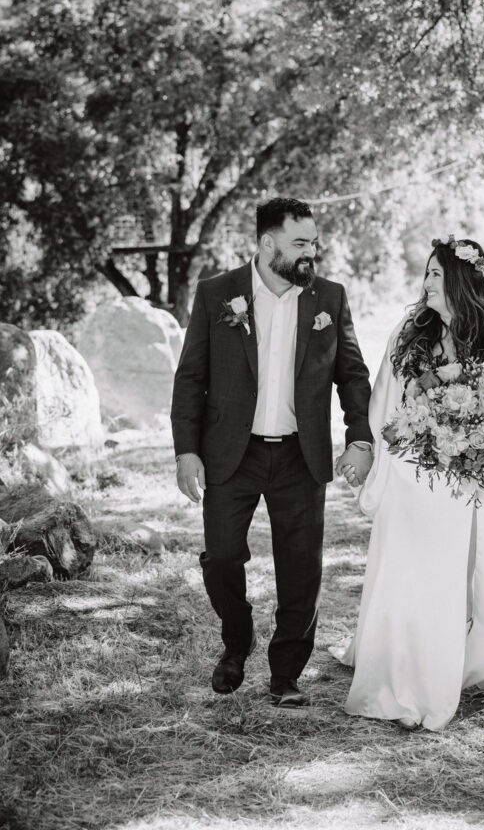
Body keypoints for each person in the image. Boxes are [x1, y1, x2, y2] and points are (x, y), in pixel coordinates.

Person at [332, 237, 484, 731]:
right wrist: (377, 457)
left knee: (466, 571)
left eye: (435, 274)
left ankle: (468, 655)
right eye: (426, 273)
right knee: (410, 570)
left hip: (468, 480)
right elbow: (385, 403)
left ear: (458, 281)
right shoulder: (409, 334)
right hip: (412, 474)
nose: (426, 282)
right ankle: (404, 661)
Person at [172, 197, 373, 707]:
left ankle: (285, 675)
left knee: (301, 567)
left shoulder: (329, 297)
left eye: (314, 243)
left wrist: (360, 437)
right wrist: (186, 451)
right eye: (300, 243)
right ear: (267, 243)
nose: (312, 252)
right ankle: (237, 642)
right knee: (220, 558)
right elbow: (191, 377)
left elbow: (352, 375)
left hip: (299, 456)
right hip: (229, 454)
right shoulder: (218, 293)